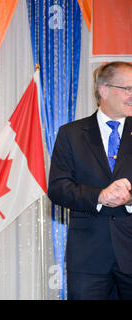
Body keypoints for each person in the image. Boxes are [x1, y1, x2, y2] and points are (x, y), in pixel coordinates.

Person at [48, 61, 132, 299]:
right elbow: (58, 188)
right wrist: (99, 196)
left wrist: (129, 198)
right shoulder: (71, 134)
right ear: (103, 90)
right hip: (88, 259)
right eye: (127, 89)